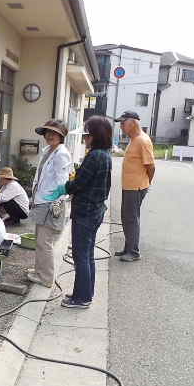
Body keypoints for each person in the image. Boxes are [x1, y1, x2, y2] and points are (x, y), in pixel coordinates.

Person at [46, 116, 113, 308]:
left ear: (95, 135)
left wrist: (64, 187)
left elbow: (79, 184)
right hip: (96, 210)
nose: (85, 139)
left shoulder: (95, 156)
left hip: (85, 212)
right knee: (87, 254)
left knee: (81, 255)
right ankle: (85, 294)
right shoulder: (105, 155)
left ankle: (81, 298)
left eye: (87, 135)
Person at [27, 119, 72, 288]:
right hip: (42, 201)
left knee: (45, 242)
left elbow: (63, 182)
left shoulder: (61, 154)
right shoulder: (48, 150)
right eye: (47, 132)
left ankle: (46, 278)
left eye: (54, 133)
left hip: (51, 203)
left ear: (61, 136)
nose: (50, 136)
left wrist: (57, 204)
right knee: (40, 240)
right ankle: (39, 271)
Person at [114, 111, 155, 262]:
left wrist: (146, 183)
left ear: (132, 123)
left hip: (136, 187)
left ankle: (133, 252)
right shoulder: (134, 139)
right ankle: (128, 248)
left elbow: (151, 166)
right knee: (127, 218)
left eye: (123, 123)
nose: (121, 126)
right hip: (130, 186)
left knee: (131, 219)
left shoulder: (142, 140)